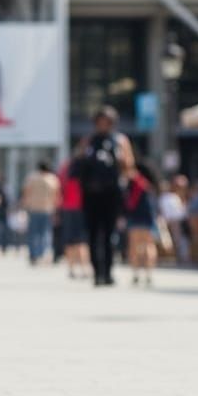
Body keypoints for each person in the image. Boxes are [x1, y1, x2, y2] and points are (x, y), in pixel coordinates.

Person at [75, 105, 134, 287]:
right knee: (93, 234)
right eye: (100, 122)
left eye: (106, 122)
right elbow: (77, 164)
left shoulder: (120, 141)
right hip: (91, 193)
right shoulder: (88, 141)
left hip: (111, 194)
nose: (103, 125)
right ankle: (97, 272)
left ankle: (107, 271)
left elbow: (129, 167)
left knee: (109, 234)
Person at [122, 162, 158, 287]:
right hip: (148, 218)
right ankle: (149, 273)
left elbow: (128, 201)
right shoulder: (148, 185)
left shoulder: (134, 182)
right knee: (149, 245)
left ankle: (136, 273)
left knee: (134, 246)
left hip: (135, 217)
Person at [21, 160, 61, 265]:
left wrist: (25, 205)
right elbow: (57, 195)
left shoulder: (31, 178)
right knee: (45, 233)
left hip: (33, 208)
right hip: (47, 209)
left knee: (33, 233)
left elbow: (25, 192)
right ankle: (43, 254)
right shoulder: (53, 179)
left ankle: (33, 255)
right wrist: (56, 210)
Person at [57, 155, 89, 280]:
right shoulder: (85, 176)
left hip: (67, 209)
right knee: (82, 241)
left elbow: (59, 191)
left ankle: (71, 269)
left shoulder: (65, 173)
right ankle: (84, 268)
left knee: (70, 240)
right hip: (81, 209)